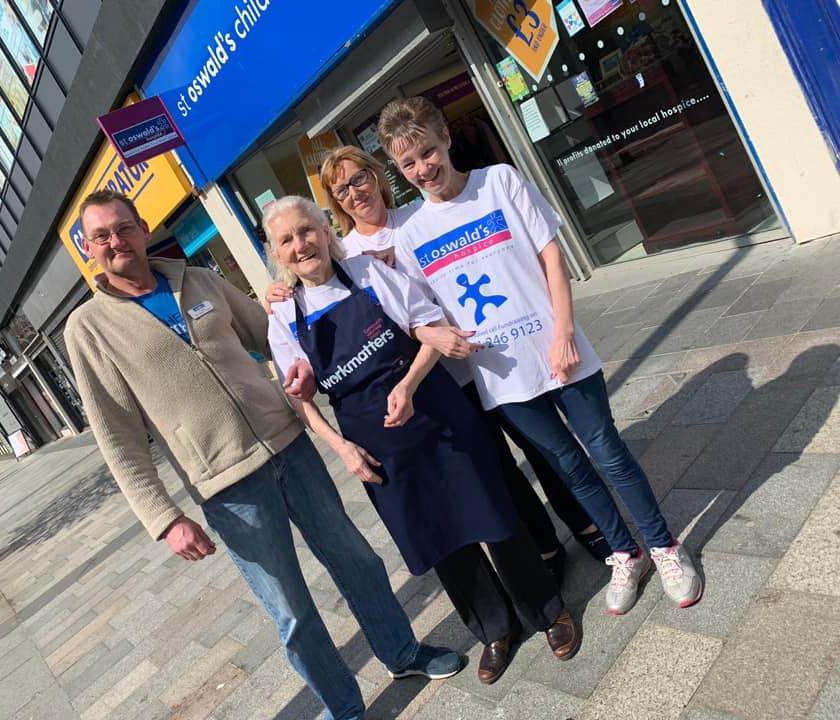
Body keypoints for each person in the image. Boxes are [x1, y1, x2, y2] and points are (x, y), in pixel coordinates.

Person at [64, 189, 461, 720]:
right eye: (102, 236)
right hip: (227, 486)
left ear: (141, 227)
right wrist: (163, 519)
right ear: (89, 248)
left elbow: (273, 333)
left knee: (357, 561)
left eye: (124, 228)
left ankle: (402, 652)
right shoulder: (88, 328)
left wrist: (299, 300)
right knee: (291, 611)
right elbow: (117, 436)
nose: (117, 242)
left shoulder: (198, 279)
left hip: (290, 446)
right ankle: (345, 709)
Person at [377, 96, 703, 615]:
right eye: (408, 164)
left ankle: (665, 546)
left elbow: (551, 252)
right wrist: (439, 336)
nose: (423, 170)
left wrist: (563, 330)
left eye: (427, 152)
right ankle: (626, 551)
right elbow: (419, 311)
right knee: (569, 467)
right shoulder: (412, 232)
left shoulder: (499, 182)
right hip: (501, 375)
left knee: (608, 453)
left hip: (557, 350)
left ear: (445, 136)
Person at [264, 195, 581, 684]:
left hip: (432, 406)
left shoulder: (369, 274)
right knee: (437, 536)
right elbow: (300, 401)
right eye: (287, 239)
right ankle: (494, 630)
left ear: (326, 233)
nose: (301, 244)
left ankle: (546, 611)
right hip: (374, 442)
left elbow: (430, 330)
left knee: (491, 511)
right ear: (276, 253)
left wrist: (408, 387)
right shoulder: (284, 317)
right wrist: (341, 448)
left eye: (307, 231)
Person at [265, 145, 610, 581]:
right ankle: (545, 549)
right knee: (498, 471)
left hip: (485, 361)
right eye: (342, 190)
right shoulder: (346, 255)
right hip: (439, 386)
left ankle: (588, 525)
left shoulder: (419, 215)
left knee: (540, 447)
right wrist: (275, 292)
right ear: (334, 206)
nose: (355, 193)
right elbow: (313, 294)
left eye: (360, 179)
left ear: (377, 177)